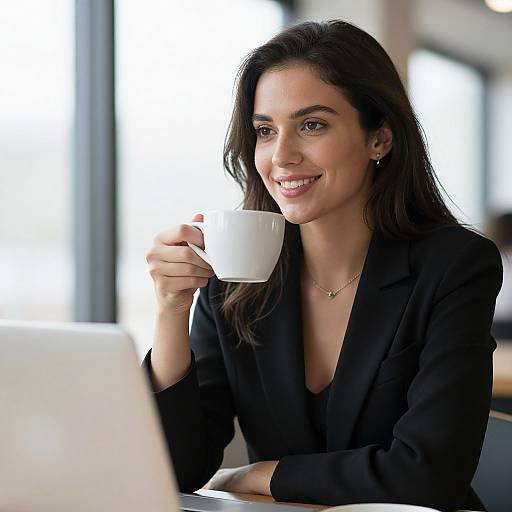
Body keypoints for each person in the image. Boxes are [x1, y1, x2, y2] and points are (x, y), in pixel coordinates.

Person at [144, 20, 502, 512]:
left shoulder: (454, 266)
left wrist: (262, 474)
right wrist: (169, 310)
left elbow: (427, 475)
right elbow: (174, 472)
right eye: (265, 131)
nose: (282, 155)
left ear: (380, 137)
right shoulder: (234, 281)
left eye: (312, 125)